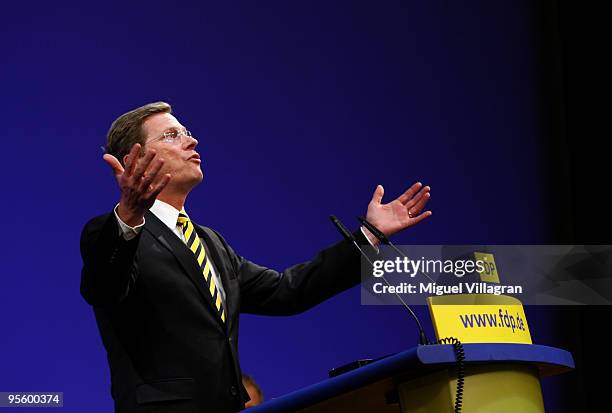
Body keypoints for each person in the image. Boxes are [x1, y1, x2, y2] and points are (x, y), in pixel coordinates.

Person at [80, 101, 432, 413]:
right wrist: (127, 216)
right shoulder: (111, 233)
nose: (192, 141)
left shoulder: (210, 243)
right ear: (135, 160)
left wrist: (369, 235)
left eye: (187, 132)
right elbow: (104, 287)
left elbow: (288, 291)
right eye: (172, 135)